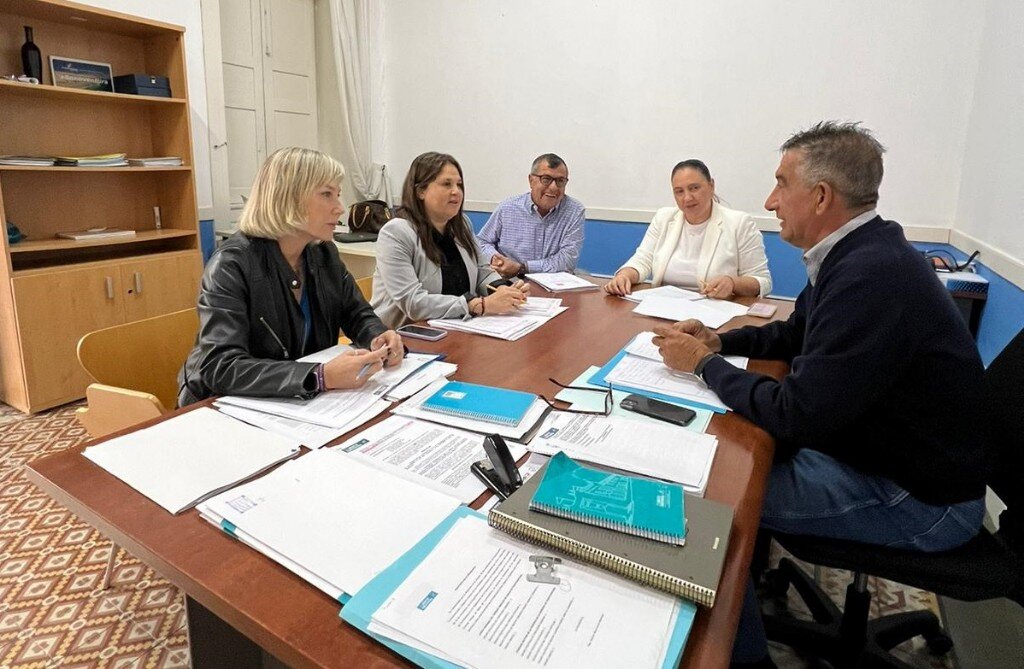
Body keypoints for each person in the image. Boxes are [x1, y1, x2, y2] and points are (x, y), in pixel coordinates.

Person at [651, 122, 988, 668]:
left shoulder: (870, 275)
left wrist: (706, 365)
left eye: (781, 183)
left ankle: (743, 656)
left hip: (923, 501)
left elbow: (796, 414)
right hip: (894, 458)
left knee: (714, 499)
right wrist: (722, 339)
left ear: (822, 196)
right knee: (736, 459)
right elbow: (794, 332)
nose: (770, 199)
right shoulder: (862, 251)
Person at [178, 147, 403, 406]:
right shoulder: (231, 265)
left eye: (338, 195)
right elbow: (221, 366)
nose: (340, 208)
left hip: (294, 403)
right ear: (288, 198)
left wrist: (378, 336)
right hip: (219, 406)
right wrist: (319, 376)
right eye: (327, 194)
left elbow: (356, 314)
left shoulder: (324, 254)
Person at [372, 152, 530, 329]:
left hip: (458, 327)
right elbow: (413, 303)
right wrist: (478, 305)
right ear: (420, 191)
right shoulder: (396, 233)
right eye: (446, 184)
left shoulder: (462, 225)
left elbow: (482, 272)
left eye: (459, 185)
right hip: (404, 337)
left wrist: (503, 289)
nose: (456, 191)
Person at [604, 160, 771, 298]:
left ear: (711, 186)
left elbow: (763, 281)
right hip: (663, 307)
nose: (687, 198)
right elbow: (643, 259)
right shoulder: (664, 218)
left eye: (694, 188)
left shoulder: (739, 223)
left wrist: (732, 283)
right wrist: (624, 275)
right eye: (679, 191)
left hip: (714, 311)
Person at [477, 153, 585, 278]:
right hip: (509, 282)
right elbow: (482, 242)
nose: (554, 187)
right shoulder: (508, 208)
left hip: (554, 283)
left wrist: (522, 268)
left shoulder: (574, 211)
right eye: (546, 179)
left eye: (560, 181)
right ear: (531, 180)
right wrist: (497, 260)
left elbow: (567, 260)